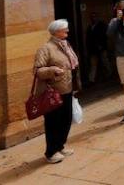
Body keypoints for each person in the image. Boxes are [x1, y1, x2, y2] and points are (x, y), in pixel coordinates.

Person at [33, 19, 80, 163]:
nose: (67, 31)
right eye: (64, 29)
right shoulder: (46, 48)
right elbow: (37, 70)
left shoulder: (65, 45)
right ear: (56, 31)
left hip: (67, 88)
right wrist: (52, 70)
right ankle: (51, 152)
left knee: (66, 119)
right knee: (53, 121)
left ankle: (60, 146)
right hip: (53, 92)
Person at [86, 13, 109, 84]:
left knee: (105, 62)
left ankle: (109, 74)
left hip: (101, 48)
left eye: (94, 17)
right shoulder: (89, 27)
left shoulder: (102, 26)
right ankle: (91, 80)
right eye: (92, 17)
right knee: (93, 65)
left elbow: (105, 36)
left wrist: (102, 45)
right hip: (93, 50)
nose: (93, 18)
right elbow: (88, 39)